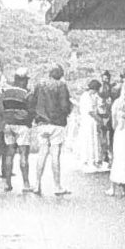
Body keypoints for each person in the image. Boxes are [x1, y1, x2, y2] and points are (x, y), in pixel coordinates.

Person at [29, 64, 72, 196]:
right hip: (57, 124)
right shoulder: (62, 86)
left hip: (42, 123)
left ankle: (37, 184)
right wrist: (67, 112)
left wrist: (35, 116)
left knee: (42, 154)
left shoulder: (40, 85)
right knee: (55, 155)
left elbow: (32, 101)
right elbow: (65, 106)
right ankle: (57, 186)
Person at [0, 67, 34, 192]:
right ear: (23, 80)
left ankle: (7, 183)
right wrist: (29, 121)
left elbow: (1, 107)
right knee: (24, 154)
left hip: (8, 124)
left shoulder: (6, 91)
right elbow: (31, 110)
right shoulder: (27, 93)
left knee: (9, 154)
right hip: (22, 125)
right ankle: (26, 184)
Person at [78, 79, 105, 172]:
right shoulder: (86, 96)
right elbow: (90, 111)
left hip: (93, 121)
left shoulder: (93, 96)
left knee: (95, 140)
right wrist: (100, 120)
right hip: (88, 121)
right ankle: (88, 160)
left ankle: (95, 161)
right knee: (88, 140)